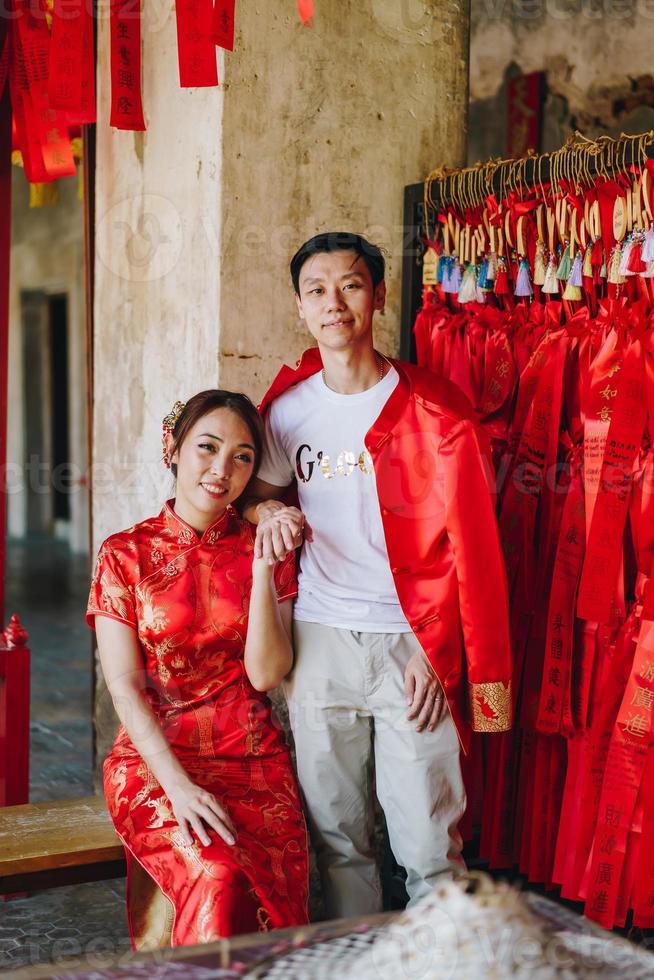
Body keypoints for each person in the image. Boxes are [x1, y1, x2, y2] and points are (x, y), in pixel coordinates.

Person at [243, 232, 512, 918]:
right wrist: (268, 509)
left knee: (428, 845)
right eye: (317, 290)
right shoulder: (287, 412)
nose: (335, 302)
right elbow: (257, 493)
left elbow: (476, 552)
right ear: (301, 307)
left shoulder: (440, 412)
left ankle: (442, 964)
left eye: (351, 285)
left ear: (380, 296)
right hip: (320, 643)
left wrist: (440, 650)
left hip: (410, 645)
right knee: (338, 840)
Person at [87, 390, 309, 950]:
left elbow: (266, 675)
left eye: (242, 457)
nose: (222, 469)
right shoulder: (124, 554)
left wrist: (262, 568)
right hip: (156, 760)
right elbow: (124, 686)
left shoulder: (268, 545)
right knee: (216, 875)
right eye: (207, 448)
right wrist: (177, 787)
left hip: (255, 760)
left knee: (270, 891)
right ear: (174, 448)